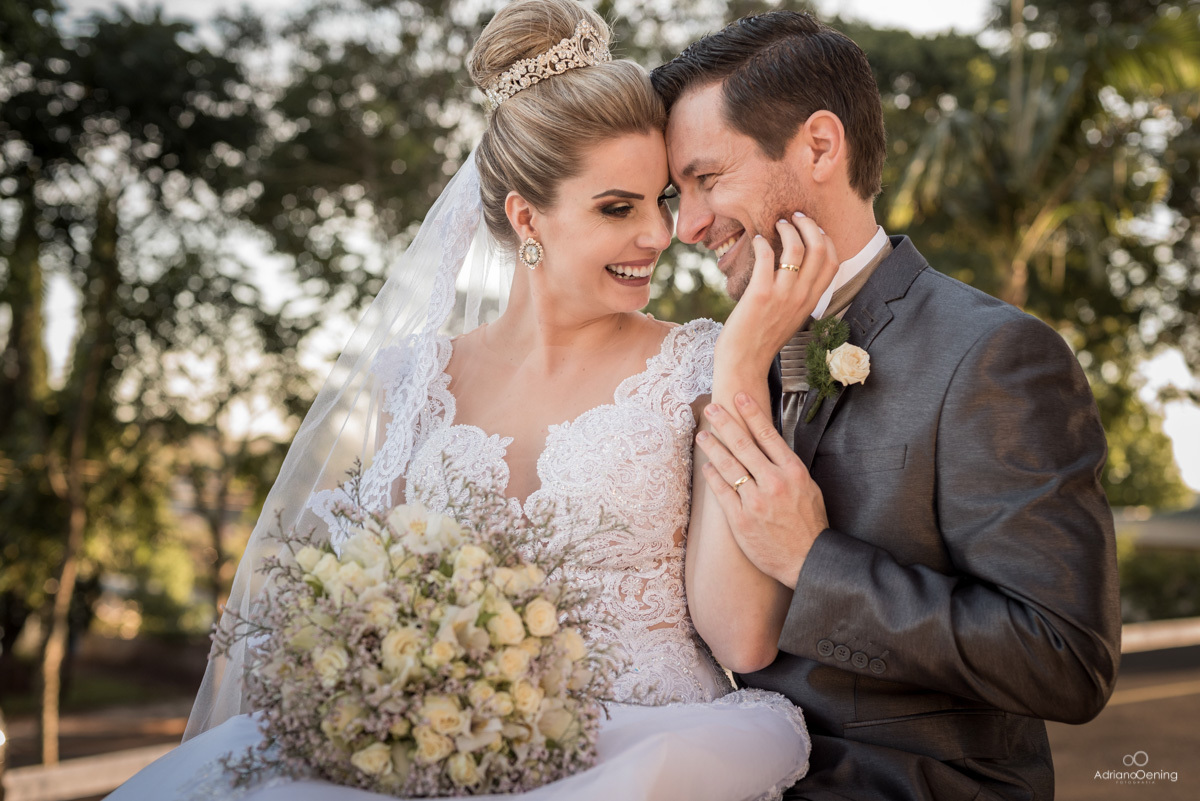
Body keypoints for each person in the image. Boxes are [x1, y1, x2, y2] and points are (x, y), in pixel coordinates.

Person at [107, 2, 824, 800]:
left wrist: (741, 363)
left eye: (660, 201)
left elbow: (745, 635)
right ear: (527, 217)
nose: (660, 235)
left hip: (647, 752)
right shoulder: (408, 380)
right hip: (438, 757)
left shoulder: (699, 364)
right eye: (617, 208)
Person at [651, 10, 1122, 801]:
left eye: (706, 179)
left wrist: (813, 561)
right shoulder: (734, 358)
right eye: (676, 192)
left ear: (821, 146)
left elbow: (1066, 660)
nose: (686, 225)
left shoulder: (993, 354)